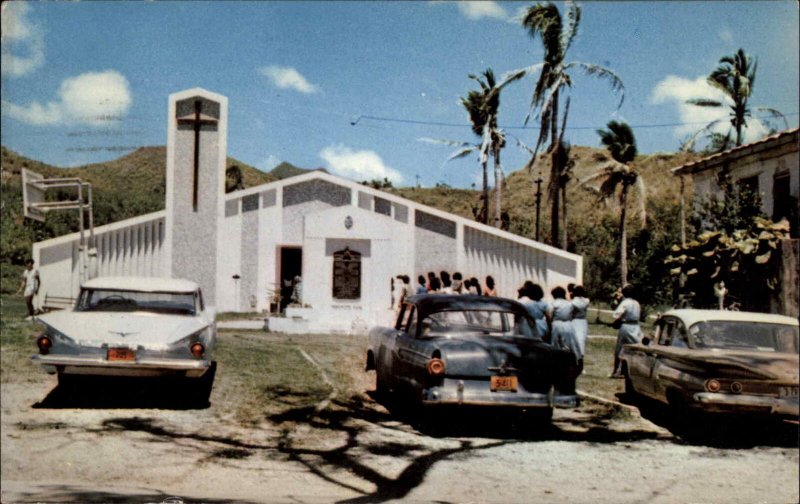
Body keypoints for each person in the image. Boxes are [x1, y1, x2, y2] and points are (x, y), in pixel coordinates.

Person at [610, 284, 643, 378]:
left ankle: (617, 371)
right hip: (636, 326)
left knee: (620, 349)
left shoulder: (625, 302)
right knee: (637, 348)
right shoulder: (637, 303)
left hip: (626, 326)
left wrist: (616, 303)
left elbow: (615, 315)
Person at [549, 287, 578, 361]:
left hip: (557, 324)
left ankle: (556, 360)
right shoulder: (570, 303)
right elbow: (573, 314)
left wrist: (549, 324)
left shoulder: (554, 303)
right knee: (567, 344)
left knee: (556, 344)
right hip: (568, 325)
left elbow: (550, 315)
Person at [571, 285, 590, 374]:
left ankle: (576, 365)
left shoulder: (573, 302)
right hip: (583, 322)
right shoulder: (586, 301)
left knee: (575, 342)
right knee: (581, 342)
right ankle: (580, 366)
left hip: (575, 321)